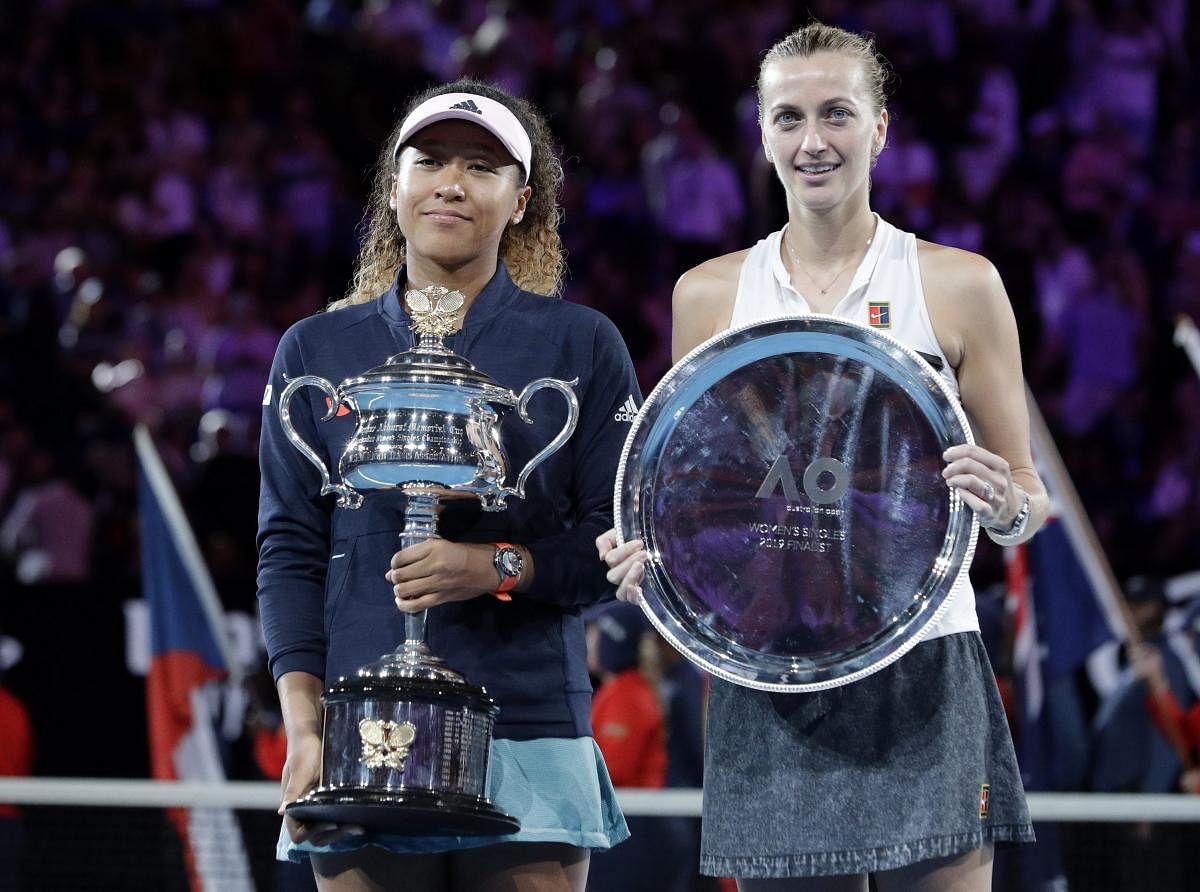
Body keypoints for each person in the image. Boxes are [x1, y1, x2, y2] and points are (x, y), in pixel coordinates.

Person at [598, 23, 1049, 891]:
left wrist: (1004, 505)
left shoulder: (959, 284)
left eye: (838, 114)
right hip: (772, 667)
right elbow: (696, 498)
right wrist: (650, 554)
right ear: (762, 134)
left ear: (880, 129)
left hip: (926, 657)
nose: (814, 141)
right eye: (790, 117)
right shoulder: (710, 294)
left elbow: (1026, 497)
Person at [257, 79, 638, 892]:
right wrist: (305, 727)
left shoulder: (581, 345)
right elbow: (288, 548)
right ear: (394, 188)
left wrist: (494, 566)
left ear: (521, 200)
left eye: (482, 167)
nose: (452, 183)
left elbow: (612, 544)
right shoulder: (315, 350)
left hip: (529, 724)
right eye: (429, 161)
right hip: (360, 727)